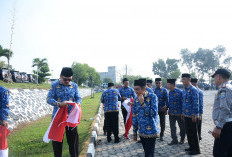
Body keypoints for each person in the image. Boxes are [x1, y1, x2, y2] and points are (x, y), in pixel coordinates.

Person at [47, 67, 82, 157]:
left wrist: (78, 103)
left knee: (73, 142)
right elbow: (48, 99)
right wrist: (58, 104)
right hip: (58, 118)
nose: (67, 81)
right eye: (65, 79)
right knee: (57, 143)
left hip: (71, 118)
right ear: (60, 76)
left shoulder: (74, 85)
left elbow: (78, 97)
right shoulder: (54, 85)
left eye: (69, 79)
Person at [133, 79, 159, 157]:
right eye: (134, 89)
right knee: (146, 152)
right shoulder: (135, 100)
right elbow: (134, 116)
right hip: (141, 131)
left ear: (144, 88)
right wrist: (134, 132)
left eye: (137, 89)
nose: (136, 92)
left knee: (149, 154)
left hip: (151, 131)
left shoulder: (152, 97)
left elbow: (153, 113)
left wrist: (143, 103)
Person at [211, 68, 232, 156]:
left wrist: (219, 127)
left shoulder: (224, 88)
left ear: (219, 77)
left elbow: (224, 108)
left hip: (225, 126)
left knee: (219, 153)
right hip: (228, 124)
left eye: (214, 77)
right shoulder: (229, 87)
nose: (214, 79)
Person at [181, 73, 200, 155]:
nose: (182, 81)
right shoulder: (184, 89)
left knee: (193, 133)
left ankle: (196, 150)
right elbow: (184, 102)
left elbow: (196, 103)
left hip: (192, 115)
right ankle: (191, 147)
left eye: (184, 79)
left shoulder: (193, 89)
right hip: (186, 114)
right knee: (188, 132)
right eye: (182, 79)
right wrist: (182, 112)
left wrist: (195, 114)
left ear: (189, 79)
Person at [166, 79, 185, 145]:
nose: (167, 85)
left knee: (182, 127)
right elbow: (169, 102)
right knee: (172, 127)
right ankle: (174, 139)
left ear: (172, 84)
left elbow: (183, 102)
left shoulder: (180, 92)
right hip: (171, 113)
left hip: (179, 113)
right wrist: (166, 107)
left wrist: (183, 112)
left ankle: (182, 139)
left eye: (168, 84)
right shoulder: (170, 92)